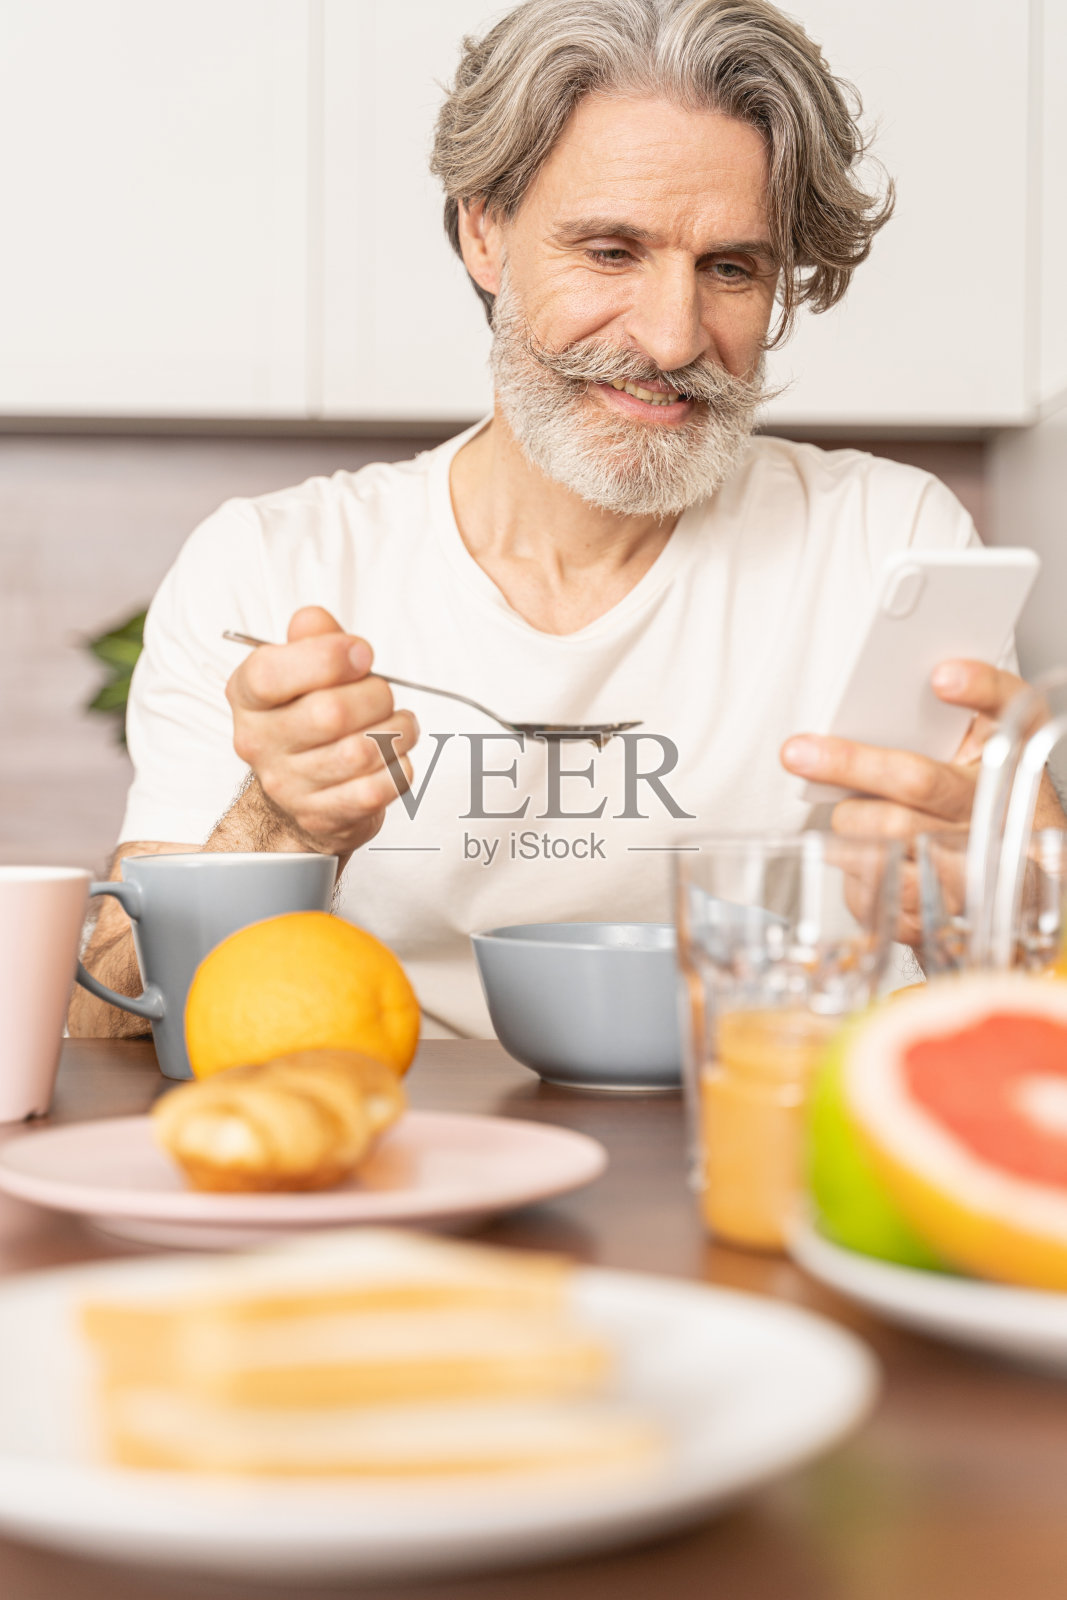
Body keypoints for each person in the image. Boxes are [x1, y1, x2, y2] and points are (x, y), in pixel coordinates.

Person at [70, 0, 1062, 1042]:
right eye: (609, 250)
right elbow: (107, 1028)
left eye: (730, 267)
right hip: (379, 1144)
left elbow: (1015, 987)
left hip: (755, 1141)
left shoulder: (884, 544)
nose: (672, 335)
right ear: (483, 230)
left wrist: (1021, 901)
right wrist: (278, 823)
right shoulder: (271, 565)